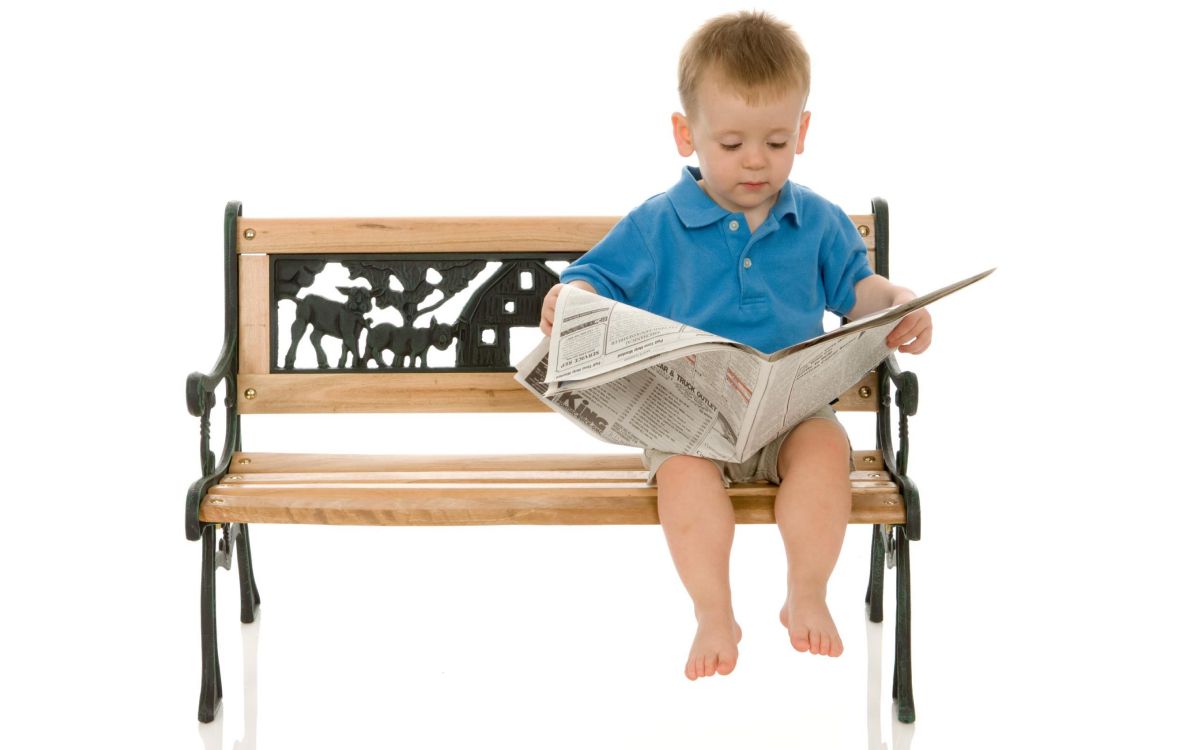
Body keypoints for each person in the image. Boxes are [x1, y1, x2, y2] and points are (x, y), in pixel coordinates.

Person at [538, 10, 932, 681]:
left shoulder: (816, 221)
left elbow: (855, 290)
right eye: (731, 144)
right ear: (684, 135)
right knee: (684, 480)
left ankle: (805, 590)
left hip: (790, 411)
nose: (756, 160)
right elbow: (591, 278)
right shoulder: (657, 224)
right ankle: (712, 610)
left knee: (824, 455)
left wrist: (896, 304)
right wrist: (567, 298)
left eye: (776, 142)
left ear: (802, 132)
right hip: (692, 419)